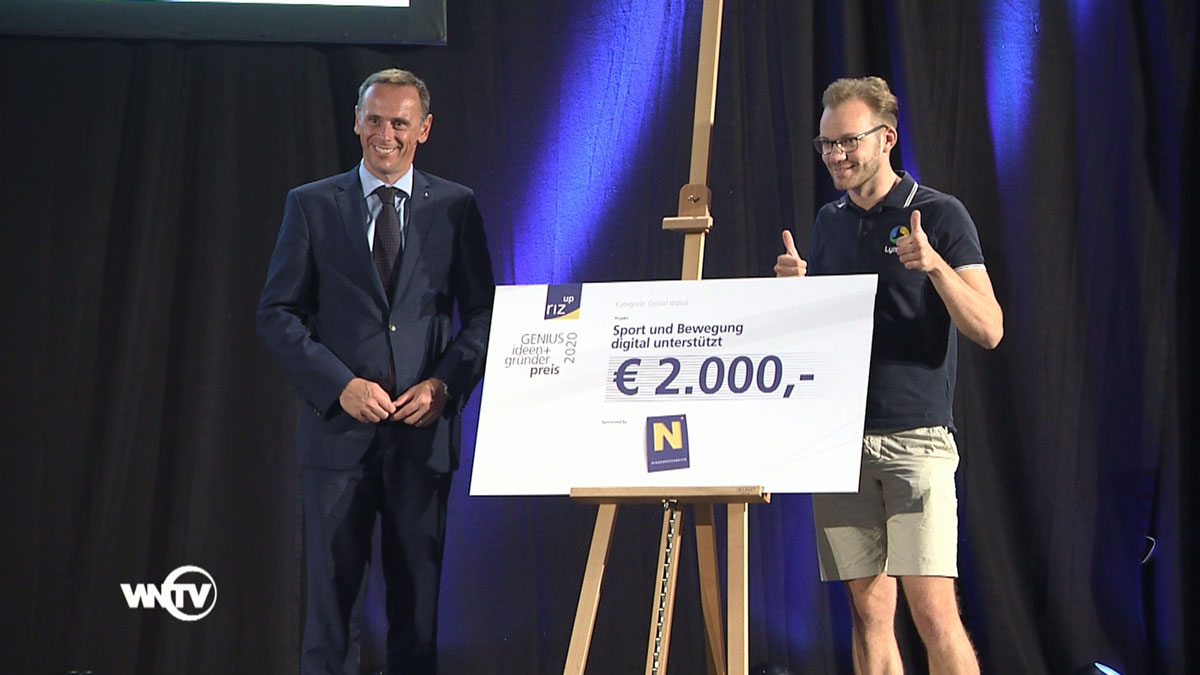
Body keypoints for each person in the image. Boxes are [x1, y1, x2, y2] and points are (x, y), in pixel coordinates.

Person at [257, 68, 495, 675]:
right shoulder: (312, 204)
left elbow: (484, 315)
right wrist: (339, 385)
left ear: (424, 128)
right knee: (332, 611)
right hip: (339, 439)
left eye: (399, 123)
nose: (385, 135)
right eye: (375, 120)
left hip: (422, 438)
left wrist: (443, 385)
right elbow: (277, 313)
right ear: (356, 122)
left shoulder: (457, 207)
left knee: (417, 610)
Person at [775, 77, 1003, 674]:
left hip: (915, 440)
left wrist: (936, 266)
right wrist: (798, 294)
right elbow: (829, 335)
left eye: (848, 141)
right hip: (841, 442)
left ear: (887, 139)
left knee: (933, 612)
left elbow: (989, 328)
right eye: (826, 144)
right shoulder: (829, 221)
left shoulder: (939, 214)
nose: (836, 156)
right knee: (868, 612)